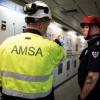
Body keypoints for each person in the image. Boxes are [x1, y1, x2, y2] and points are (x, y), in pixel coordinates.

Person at [0, 1, 66, 100]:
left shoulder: (6, 43)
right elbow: (62, 55)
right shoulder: (51, 47)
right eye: (47, 25)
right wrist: (57, 41)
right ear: (41, 24)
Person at [78, 16, 100, 100]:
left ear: (97, 30)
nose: (83, 30)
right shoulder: (90, 48)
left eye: (87, 27)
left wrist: (82, 97)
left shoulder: (96, 48)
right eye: (83, 27)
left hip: (92, 95)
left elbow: (92, 76)